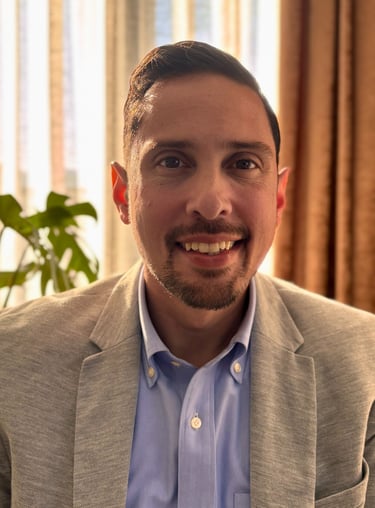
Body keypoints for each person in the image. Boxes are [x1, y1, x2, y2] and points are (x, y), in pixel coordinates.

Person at [0, 41, 374, 508]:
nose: (211, 202)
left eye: (243, 164)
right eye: (173, 162)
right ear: (123, 194)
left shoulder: (366, 369)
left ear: (278, 196)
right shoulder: (11, 365)